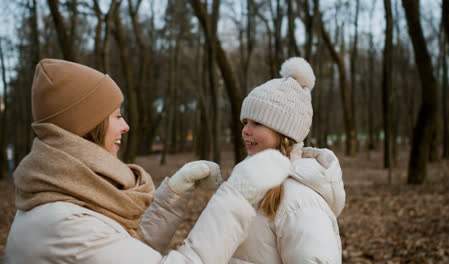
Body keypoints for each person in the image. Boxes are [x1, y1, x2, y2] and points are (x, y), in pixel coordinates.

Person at [5, 58, 292, 264]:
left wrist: (173, 196)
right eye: (117, 116)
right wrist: (237, 196)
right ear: (88, 125)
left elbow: (123, 249)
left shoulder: (57, 196)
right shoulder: (64, 224)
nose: (126, 126)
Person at [229, 57, 346, 263]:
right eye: (245, 122)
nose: (245, 131)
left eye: (257, 123)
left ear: (284, 132)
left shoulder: (300, 202)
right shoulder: (248, 184)